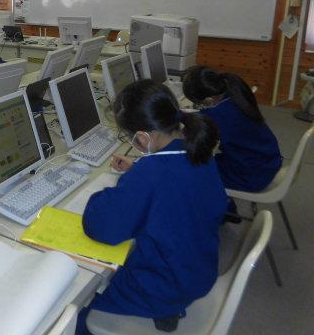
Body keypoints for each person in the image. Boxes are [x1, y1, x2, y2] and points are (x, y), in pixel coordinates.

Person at [77, 80, 227, 334]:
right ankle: (166, 311)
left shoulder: (150, 174)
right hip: (196, 271)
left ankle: (157, 309)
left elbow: (101, 228)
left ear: (143, 137)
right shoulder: (198, 150)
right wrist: (137, 173)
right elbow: (173, 186)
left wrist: (124, 185)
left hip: (163, 287)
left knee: (76, 303)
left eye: (128, 137)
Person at [182, 65, 282, 192]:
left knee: (190, 168)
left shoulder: (219, 116)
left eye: (198, 103)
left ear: (209, 100)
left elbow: (198, 136)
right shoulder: (234, 95)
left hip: (251, 175)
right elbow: (204, 116)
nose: (198, 106)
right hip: (267, 161)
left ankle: (223, 203)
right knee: (208, 162)